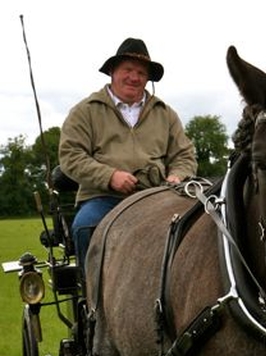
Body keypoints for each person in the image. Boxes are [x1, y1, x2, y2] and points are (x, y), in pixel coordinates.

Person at [59, 37, 197, 270]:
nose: (134, 77)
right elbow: (71, 155)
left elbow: (185, 155)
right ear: (113, 71)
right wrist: (110, 176)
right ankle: (91, 298)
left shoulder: (166, 114)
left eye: (141, 73)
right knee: (84, 226)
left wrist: (178, 176)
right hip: (103, 198)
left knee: (197, 229)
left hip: (158, 197)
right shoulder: (85, 111)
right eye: (128, 70)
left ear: (147, 79)